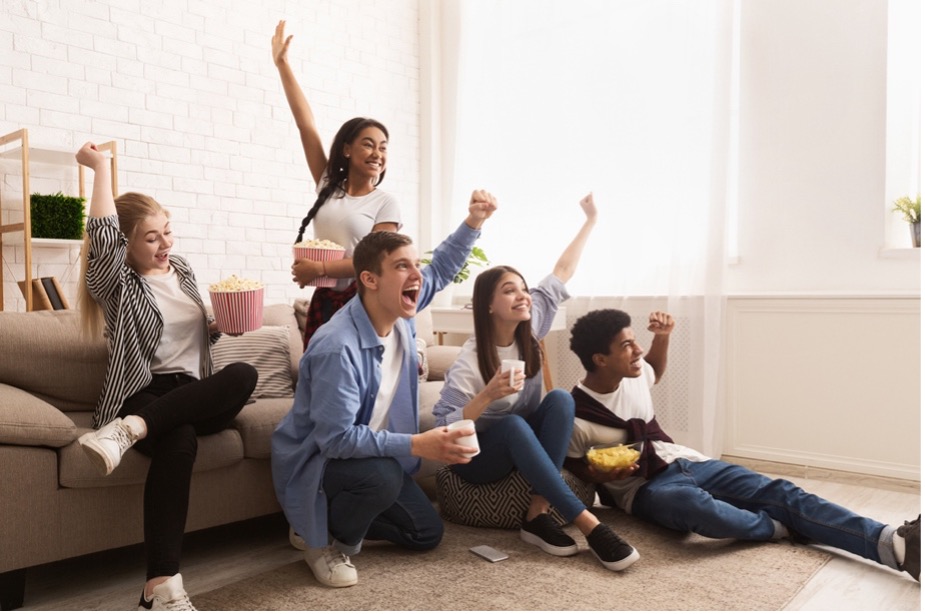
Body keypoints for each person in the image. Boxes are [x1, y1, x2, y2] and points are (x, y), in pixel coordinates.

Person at [565, 308, 921, 582]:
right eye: (627, 344)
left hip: (686, 460)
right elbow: (573, 465)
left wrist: (664, 336)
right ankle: (778, 527)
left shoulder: (635, 372)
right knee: (693, 507)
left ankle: (894, 544)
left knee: (781, 491)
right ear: (600, 359)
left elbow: (654, 371)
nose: (637, 349)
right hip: (643, 488)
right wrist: (596, 472)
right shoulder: (575, 414)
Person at [271, 190, 497, 589]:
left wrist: (474, 221)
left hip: (367, 457)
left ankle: (321, 517)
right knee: (383, 478)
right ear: (370, 279)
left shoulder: (399, 312)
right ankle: (319, 539)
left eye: (415, 265)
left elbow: (441, 268)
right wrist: (416, 444)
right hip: (322, 462)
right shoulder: (336, 346)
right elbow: (336, 440)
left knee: (426, 534)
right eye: (402, 267)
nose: (417, 275)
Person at [73, 142, 259, 610]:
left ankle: (129, 433)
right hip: (144, 392)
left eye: (167, 232)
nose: (165, 244)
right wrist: (100, 168)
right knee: (179, 441)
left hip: (194, 391)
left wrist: (216, 327)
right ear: (127, 244)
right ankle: (161, 588)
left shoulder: (185, 270)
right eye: (151, 237)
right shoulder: (116, 283)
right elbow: (101, 235)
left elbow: (190, 342)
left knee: (243, 373)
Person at [432, 194, 640, 572]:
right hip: (478, 462)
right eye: (510, 290)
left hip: (521, 445)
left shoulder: (530, 326)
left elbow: (562, 270)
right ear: (489, 305)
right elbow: (443, 425)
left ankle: (537, 512)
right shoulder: (471, 360)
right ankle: (588, 524)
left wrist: (591, 220)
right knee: (510, 424)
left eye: (523, 288)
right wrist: (487, 395)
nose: (523, 295)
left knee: (561, 398)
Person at [272, 20, 401, 349]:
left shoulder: (385, 203)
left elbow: (375, 263)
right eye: (369, 144)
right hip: (325, 297)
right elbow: (306, 125)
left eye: (383, 147)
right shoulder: (328, 183)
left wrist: (320, 266)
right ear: (347, 148)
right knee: (319, 374)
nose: (378, 153)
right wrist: (283, 65)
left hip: (365, 300)